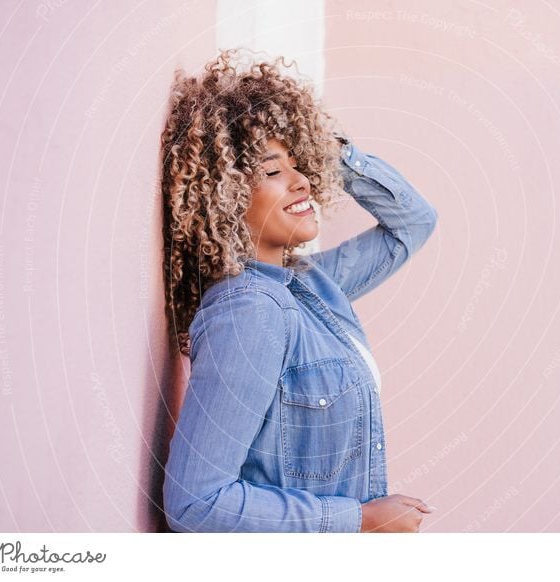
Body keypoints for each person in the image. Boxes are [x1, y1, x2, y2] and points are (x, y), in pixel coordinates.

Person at [160, 48, 439, 533]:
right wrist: (360, 521)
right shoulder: (248, 311)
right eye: (272, 172)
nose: (302, 180)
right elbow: (196, 503)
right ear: (224, 197)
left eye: (299, 164)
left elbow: (413, 223)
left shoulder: (308, 287)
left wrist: (328, 148)